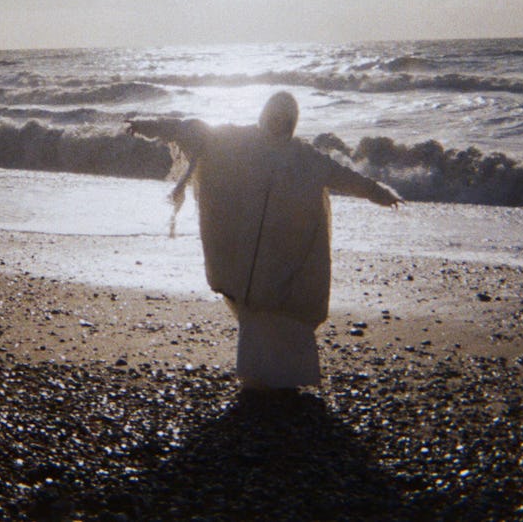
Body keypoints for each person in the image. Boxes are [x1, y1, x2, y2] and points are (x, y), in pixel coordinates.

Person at [128, 91, 401, 390]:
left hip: (288, 255)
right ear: (264, 114)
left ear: (293, 122)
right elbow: (192, 130)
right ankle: (254, 379)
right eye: (274, 116)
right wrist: (149, 125)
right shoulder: (240, 141)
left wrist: (378, 193)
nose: (278, 123)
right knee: (255, 313)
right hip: (249, 254)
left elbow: (344, 177)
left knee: (288, 313)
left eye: (285, 119)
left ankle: (291, 380)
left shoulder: (305, 157)